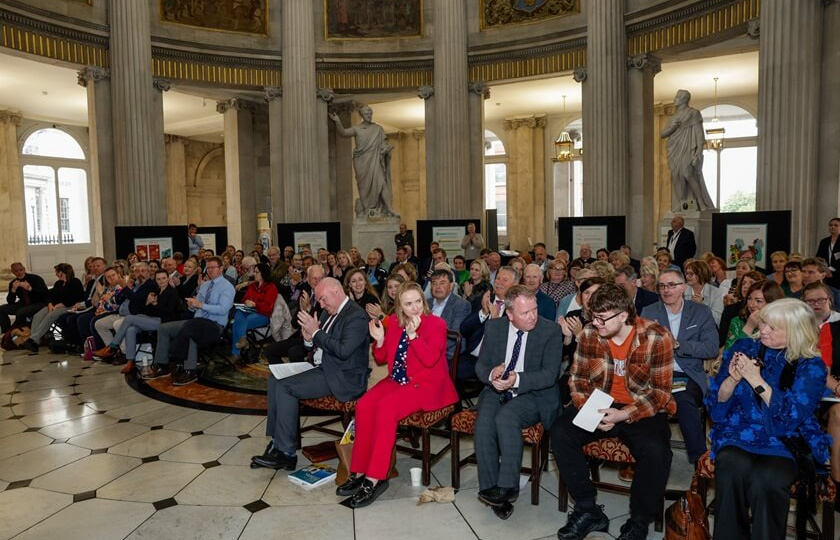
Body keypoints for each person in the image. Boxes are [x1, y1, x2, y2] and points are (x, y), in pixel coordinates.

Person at [552, 284, 676, 540]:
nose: (596, 323)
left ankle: (638, 522)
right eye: (593, 317)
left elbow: (661, 392)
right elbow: (576, 379)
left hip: (640, 406)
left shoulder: (657, 336)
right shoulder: (589, 333)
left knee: (657, 451)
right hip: (598, 401)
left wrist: (624, 414)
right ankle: (589, 510)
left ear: (623, 314)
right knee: (561, 433)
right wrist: (592, 409)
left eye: (602, 318)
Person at [707, 299, 830, 540]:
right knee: (730, 465)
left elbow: (791, 417)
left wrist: (757, 380)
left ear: (795, 331)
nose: (763, 330)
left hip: (786, 439)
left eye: (773, 327)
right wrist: (731, 380)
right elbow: (717, 406)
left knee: (767, 480)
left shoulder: (811, 365)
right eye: (763, 323)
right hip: (740, 431)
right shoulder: (744, 347)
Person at [336, 281, 457, 507]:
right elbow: (382, 358)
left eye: (418, 302)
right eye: (408, 304)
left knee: (385, 408)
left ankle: (375, 478)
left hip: (426, 384)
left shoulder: (435, 324)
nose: (415, 308)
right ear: (399, 306)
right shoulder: (393, 322)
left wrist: (414, 337)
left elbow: (430, 360)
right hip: (398, 380)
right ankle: (360, 470)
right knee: (363, 406)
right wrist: (379, 339)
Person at [252, 278, 370, 471]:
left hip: (343, 376)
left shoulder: (356, 316)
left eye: (323, 299)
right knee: (274, 379)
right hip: (323, 367)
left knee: (285, 387)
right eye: (319, 300)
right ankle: (277, 442)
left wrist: (315, 333)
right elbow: (316, 344)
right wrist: (308, 340)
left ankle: (286, 454)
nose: (321, 304)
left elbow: (343, 351)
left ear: (336, 291)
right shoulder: (327, 312)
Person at [474, 286, 563, 511]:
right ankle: (491, 491)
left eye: (534, 309)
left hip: (534, 392)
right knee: (484, 424)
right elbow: (481, 365)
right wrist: (491, 373)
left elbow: (550, 374)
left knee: (506, 417)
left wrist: (515, 380)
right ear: (510, 314)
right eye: (525, 313)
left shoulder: (550, 330)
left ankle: (507, 486)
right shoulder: (494, 327)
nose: (532, 316)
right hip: (497, 388)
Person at [642, 269, 718, 465]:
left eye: (671, 285)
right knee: (638, 399)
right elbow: (639, 349)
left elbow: (711, 349)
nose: (666, 290)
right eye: (662, 286)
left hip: (686, 374)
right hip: (655, 374)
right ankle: (643, 458)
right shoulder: (649, 312)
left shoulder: (701, 312)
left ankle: (700, 462)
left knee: (683, 402)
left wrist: (676, 344)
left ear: (684, 287)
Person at [141, 256, 235, 386]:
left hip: (214, 325)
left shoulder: (227, 287)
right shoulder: (205, 285)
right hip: (196, 321)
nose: (210, 270)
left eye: (213, 267)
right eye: (208, 268)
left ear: (221, 268)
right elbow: (196, 305)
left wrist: (201, 305)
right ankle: (163, 365)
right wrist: (192, 306)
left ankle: (189, 370)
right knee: (164, 328)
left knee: (192, 331)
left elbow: (223, 309)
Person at [97, 269, 180, 371]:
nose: (161, 281)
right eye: (158, 279)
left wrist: (155, 304)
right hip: (151, 319)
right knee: (130, 329)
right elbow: (147, 311)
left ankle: (112, 346)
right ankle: (130, 361)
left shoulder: (173, 292)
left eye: (163, 278)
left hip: (163, 322)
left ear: (168, 278)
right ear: (155, 280)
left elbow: (169, 312)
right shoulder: (156, 292)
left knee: (130, 318)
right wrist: (148, 303)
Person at [330, 105, 396, 217]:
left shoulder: (378, 129)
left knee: (382, 183)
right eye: (366, 113)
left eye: (370, 113)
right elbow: (344, 133)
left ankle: (389, 208)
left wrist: (385, 149)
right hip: (361, 162)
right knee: (364, 188)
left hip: (375, 160)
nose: (369, 115)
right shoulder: (357, 129)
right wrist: (337, 121)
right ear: (362, 115)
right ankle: (367, 209)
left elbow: (383, 144)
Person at [660, 89, 716, 211]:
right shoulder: (672, 118)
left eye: (677, 97)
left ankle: (701, 203)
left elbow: (698, 132)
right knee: (676, 176)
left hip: (687, 147)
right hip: (674, 147)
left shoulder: (693, 113)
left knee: (687, 173)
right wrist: (673, 127)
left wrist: (699, 151)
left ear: (684, 99)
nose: (675, 99)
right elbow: (663, 134)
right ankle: (682, 205)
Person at [21, 263, 85, 353]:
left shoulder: (75, 282)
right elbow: (50, 295)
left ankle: (32, 339)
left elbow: (77, 297)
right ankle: (35, 342)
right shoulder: (58, 283)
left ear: (61, 272)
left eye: (56, 272)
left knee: (51, 315)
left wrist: (63, 304)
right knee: (38, 316)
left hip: (70, 306)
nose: (55, 274)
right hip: (55, 305)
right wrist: (50, 303)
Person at [230, 263, 278, 362]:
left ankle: (236, 353)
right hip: (249, 311)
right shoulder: (252, 286)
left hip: (263, 315)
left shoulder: (271, 287)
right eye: (254, 272)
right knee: (239, 312)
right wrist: (246, 302)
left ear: (263, 274)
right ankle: (243, 339)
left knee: (238, 323)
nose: (254, 274)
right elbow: (244, 299)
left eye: (257, 272)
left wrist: (255, 304)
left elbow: (268, 307)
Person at [723, 280, 784, 350]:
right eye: (749, 299)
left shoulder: (783, 324)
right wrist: (749, 327)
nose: (751, 305)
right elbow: (728, 356)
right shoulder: (737, 322)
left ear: (772, 303)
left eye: (758, 301)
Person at [427, 269, 471, 360]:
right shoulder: (426, 304)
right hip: (425, 351)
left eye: (442, 283)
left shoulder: (461, 305)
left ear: (451, 286)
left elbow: (454, 336)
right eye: (434, 283)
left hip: (447, 354)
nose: (438, 287)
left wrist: (431, 351)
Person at [0, 262, 48, 333]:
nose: (19, 272)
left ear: (24, 269)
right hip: (23, 303)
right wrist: (13, 290)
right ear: (13, 272)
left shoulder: (35, 278)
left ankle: (15, 330)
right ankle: (6, 332)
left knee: (21, 312)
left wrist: (30, 289)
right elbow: (10, 302)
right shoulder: (13, 283)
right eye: (16, 271)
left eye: (21, 270)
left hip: (39, 303)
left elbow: (45, 294)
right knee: (1, 309)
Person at [816, 217, 840, 288]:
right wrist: (825, 269)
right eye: (830, 225)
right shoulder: (824, 241)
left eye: (836, 225)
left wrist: (834, 273)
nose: (832, 227)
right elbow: (818, 258)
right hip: (825, 274)